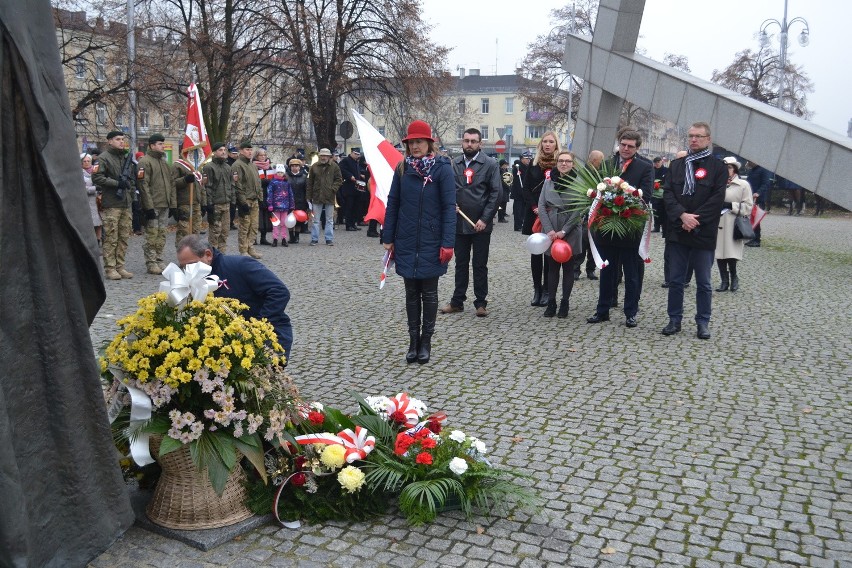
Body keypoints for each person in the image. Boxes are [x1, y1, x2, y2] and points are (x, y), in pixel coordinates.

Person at [382, 120, 456, 364]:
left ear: (429, 143)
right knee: (411, 293)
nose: (415, 146)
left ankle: (426, 342)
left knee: (430, 293)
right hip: (406, 239)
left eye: (419, 142)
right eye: (411, 142)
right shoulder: (402, 168)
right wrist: (388, 236)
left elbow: (448, 207)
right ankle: (413, 341)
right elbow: (393, 202)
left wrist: (447, 242)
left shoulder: (442, 168)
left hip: (432, 239)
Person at [176, 235, 293, 361]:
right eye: (183, 267)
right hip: (227, 346)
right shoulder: (195, 279)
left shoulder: (240, 265)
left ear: (208, 255)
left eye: (190, 265)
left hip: (269, 338)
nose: (187, 271)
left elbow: (279, 292)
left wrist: (256, 326)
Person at [662, 122, 727, 340]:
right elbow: (668, 194)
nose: (693, 140)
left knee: (704, 282)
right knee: (676, 280)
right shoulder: (676, 165)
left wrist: (694, 219)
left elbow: (717, 199)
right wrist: (682, 215)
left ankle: (703, 322)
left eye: (698, 136)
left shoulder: (718, 168)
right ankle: (674, 319)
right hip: (678, 230)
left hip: (703, 231)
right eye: (690, 136)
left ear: (708, 139)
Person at [586, 130, 653, 329]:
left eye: (630, 146)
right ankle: (603, 310)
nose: (625, 148)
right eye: (623, 144)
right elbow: (597, 189)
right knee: (607, 272)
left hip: (630, 227)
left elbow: (646, 196)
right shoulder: (607, 164)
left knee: (631, 274)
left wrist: (624, 204)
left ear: (637, 148)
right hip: (607, 226)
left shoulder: (645, 167)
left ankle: (630, 312)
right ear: (619, 143)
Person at [440, 127, 500, 317]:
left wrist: (485, 218)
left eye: (473, 141)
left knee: (480, 264)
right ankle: (457, 301)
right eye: (466, 141)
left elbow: (496, 193)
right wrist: (449, 203)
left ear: (480, 144)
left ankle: (480, 302)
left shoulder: (490, 164)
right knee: (460, 263)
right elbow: (447, 188)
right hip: (459, 222)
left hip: (481, 224)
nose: (469, 144)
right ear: (462, 143)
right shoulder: (454, 164)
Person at [538, 151, 583, 318]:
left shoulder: (579, 183)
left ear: (573, 164)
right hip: (551, 228)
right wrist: (549, 229)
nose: (564, 164)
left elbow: (579, 209)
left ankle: (565, 302)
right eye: (561, 161)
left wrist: (564, 231)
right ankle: (551, 302)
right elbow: (541, 206)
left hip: (569, 229)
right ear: (556, 163)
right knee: (552, 268)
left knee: (569, 268)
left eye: (568, 161)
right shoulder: (548, 181)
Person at [522, 132, 560, 307]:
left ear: (556, 144)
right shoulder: (533, 164)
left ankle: (547, 290)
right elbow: (526, 189)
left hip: (553, 214)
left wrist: (550, 209)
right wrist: (535, 207)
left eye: (551, 141)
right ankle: (537, 290)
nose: (547, 144)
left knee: (549, 254)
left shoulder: (561, 164)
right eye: (544, 141)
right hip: (535, 213)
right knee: (536, 253)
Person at [92, 130, 136, 280]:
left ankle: (120, 266)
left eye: (123, 139)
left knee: (124, 236)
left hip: (125, 202)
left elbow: (131, 179)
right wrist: (117, 183)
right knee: (111, 236)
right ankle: (110, 268)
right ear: (109, 141)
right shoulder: (103, 158)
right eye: (118, 139)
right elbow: (97, 177)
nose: (121, 142)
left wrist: (130, 192)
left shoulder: (125, 157)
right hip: (112, 203)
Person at [137, 133, 178, 274]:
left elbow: (172, 184)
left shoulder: (164, 163)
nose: (162, 146)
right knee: (151, 235)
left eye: (163, 143)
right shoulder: (145, 162)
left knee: (162, 234)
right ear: (152, 145)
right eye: (160, 144)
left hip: (164, 204)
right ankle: (151, 262)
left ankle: (159, 259)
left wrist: (172, 204)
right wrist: (148, 207)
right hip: (153, 205)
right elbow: (143, 186)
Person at [715, 157, 753, 292]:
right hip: (718, 221)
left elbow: (748, 207)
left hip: (733, 223)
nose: (726, 170)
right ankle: (724, 281)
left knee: (731, 254)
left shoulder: (743, 185)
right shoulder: (717, 183)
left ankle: (734, 277)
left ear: (735, 169)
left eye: (729, 168)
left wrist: (731, 205)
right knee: (719, 253)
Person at [573, 150, 604, 281]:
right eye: (600, 161)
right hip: (584, 213)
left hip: (597, 213)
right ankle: (576, 269)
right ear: (594, 161)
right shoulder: (582, 174)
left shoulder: (601, 174)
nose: (602, 163)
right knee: (582, 242)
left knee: (594, 243)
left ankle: (590, 270)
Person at [232, 140, 264, 259]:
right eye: (247, 150)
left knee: (254, 226)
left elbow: (258, 183)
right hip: (245, 200)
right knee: (245, 226)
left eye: (251, 150)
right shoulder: (237, 165)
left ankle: (251, 247)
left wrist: (261, 197)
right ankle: (243, 249)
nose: (249, 152)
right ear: (241, 151)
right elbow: (237, 185)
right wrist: (242, 202)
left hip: (254, 200)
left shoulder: (253, 165)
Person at [203, 142, 235, 253]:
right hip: (215, 204)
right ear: (215, 152)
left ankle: (222, 255)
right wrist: (209, 203)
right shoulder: (209, 167)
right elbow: (208, 186)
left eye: (224, 150)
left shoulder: (227, 167)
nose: (223, 152)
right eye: (220, 150)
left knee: (225, 232)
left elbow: (232, 185)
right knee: (215, 232)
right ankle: (213, 256)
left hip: (226, 203)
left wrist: (233, 201)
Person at [306, 148, 343, 246]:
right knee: (315, 220)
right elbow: (310, 183)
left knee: (329, 220)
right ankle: (314, 239)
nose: (324, 157)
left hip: (329, 196)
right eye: (322, 155)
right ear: (319, 156)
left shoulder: (334, 166)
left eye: (326, 155)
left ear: (329, 156)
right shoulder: (314, 167)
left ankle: (329, 239)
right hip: (317, 195)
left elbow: (339, 180)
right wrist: (308, 196)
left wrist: (333, 189)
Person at [172, 151, 204, 247]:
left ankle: (193, 255)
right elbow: (172, 183)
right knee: (184, 232)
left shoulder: (196, 167)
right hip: (184, 203)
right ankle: (183, 255)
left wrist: (204, 202)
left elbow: (201, 185)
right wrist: (185, 180)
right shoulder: (177, 165)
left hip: (196, 203)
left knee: (196, 231)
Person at [745, 161, 773, 247]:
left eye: (750, 161)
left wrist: (758, 193)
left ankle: (757, 239)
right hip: (750, 196)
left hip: (758, 198)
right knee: (751, 218)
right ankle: (752, 237)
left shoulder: (763, 170)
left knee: (756, 219)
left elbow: (765, 184)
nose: (749, 162)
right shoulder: (753, 170)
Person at [267, 164, 295, 247]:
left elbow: (290, 194)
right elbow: (269, 193)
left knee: (284, 223)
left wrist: (292, 205)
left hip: (285, 206)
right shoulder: (272, 182)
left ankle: (284, 238)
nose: (280, 174)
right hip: (275, 206)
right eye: (278, 172)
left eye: (281, 172)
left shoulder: (287, 183)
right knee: (275, 224)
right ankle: (275, 239)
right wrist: (270, 204)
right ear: (276, 173)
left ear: (284, 173)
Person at [339, 147, 367, 231]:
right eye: (355, 154)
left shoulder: (356, 162)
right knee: (349, 207)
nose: (357, 156)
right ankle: (349, 225)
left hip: (357, 188)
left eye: (358, 154)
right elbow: (342, 170)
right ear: (351, 153)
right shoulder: (346, 160)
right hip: (349, 188)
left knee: (356, 207)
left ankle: (353, 224)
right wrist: (349, 176)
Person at [253, 148, 273, 246]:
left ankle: (263, 238)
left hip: (268, 194)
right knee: (257, 217)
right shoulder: (253, 166)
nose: (263, 157)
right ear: (256, 156)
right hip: (257, 194)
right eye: (261, 155)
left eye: (264, 155)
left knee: (266, 217)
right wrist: (263, 181)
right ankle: (254, 238)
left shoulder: (269, 167)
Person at [286, 157, 308, 243]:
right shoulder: (286, 176)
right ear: (290, 167)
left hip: (300, 200)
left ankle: (297, 236)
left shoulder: (304, 177)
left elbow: (306, 189)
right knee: (290, 219)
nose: (294, 168)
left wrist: (307, 200)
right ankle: (291, 236)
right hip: (288, 201)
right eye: (293, 166)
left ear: (300, 167)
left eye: (296, 166)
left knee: (299, 220)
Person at [81, 152, 102, 245]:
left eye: (88, 161)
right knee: (89, 223)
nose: (86, 162)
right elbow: (81, 188)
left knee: (99, 223)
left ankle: (98, 241)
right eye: (84, 161)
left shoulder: (96, 170)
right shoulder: (79, 173)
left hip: (98, 200)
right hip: (86, 201)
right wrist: (94, 188)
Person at [510, 150, 532, 231]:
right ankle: (518, 226)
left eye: (529, 158)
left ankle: (521, 223)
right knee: (518, 210)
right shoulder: (518, 166)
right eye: (527, 158)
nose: (528, 160)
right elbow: (518, 181)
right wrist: (522, 192)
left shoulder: (527, 166)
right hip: (518, 193)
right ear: (522, 158)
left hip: (525, 192)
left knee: (523, 210)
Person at [652, 156, 669, 233]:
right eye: (656, 163)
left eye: (658, 162)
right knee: (655, 211)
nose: (657, 164)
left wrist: (661, 185)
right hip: (654, 194)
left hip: (663, 194)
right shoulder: (652, 170)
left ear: (661, 162)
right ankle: (656, 226)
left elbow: (669, 181)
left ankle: (664, 227)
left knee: (663, 211)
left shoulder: (666, 170)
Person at [226, 145, 239, 229]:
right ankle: (229, 222)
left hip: (237, 186)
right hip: (230, 186)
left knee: (234, 206)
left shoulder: (237, 162)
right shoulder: (227, 162)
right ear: (229, 153)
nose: (235, 155)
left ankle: (231, 222)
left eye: (236, 153)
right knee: (230, 206)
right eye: (233, 153)